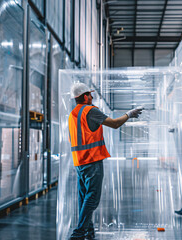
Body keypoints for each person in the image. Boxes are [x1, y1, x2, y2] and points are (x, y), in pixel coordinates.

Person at [68, 82, 143, 240]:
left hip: (79, 162)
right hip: (92, 161)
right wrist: (129, 114)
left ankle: (88, 232)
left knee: (84, 198)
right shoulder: (90, 111)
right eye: (90, 94)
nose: (92, 96)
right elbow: (115, 124)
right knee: (92, 198)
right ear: (85, 96)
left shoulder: (73, 114)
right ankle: (78, 234)